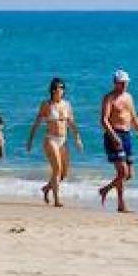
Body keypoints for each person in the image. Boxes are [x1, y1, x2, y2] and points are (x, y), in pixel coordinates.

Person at [98, 69, 138, 213]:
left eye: (126, 83)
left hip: (127, 135)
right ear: (115, 83)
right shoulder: (109, 98)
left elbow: (133, 117)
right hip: (113, 136)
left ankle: (105, 189)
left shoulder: (129, 97)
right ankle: (121, 204)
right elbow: (103, 120)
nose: (124, 85)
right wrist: (114, 136)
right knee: (122, 172)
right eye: (122, 83)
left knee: (129, 175)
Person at [24, 78, 84, 207]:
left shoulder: (67, 105)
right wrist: (30, 141)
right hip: (51, 139)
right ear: (52, 90)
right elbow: (36, 123)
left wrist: (78, 138)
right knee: (57, 169)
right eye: (57, 87)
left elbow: (72, 123)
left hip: (63, 140)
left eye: (62, 88)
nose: (59, 90)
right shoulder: (47, 105)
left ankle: (47, 188)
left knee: (63, 173)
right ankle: (57, 200)